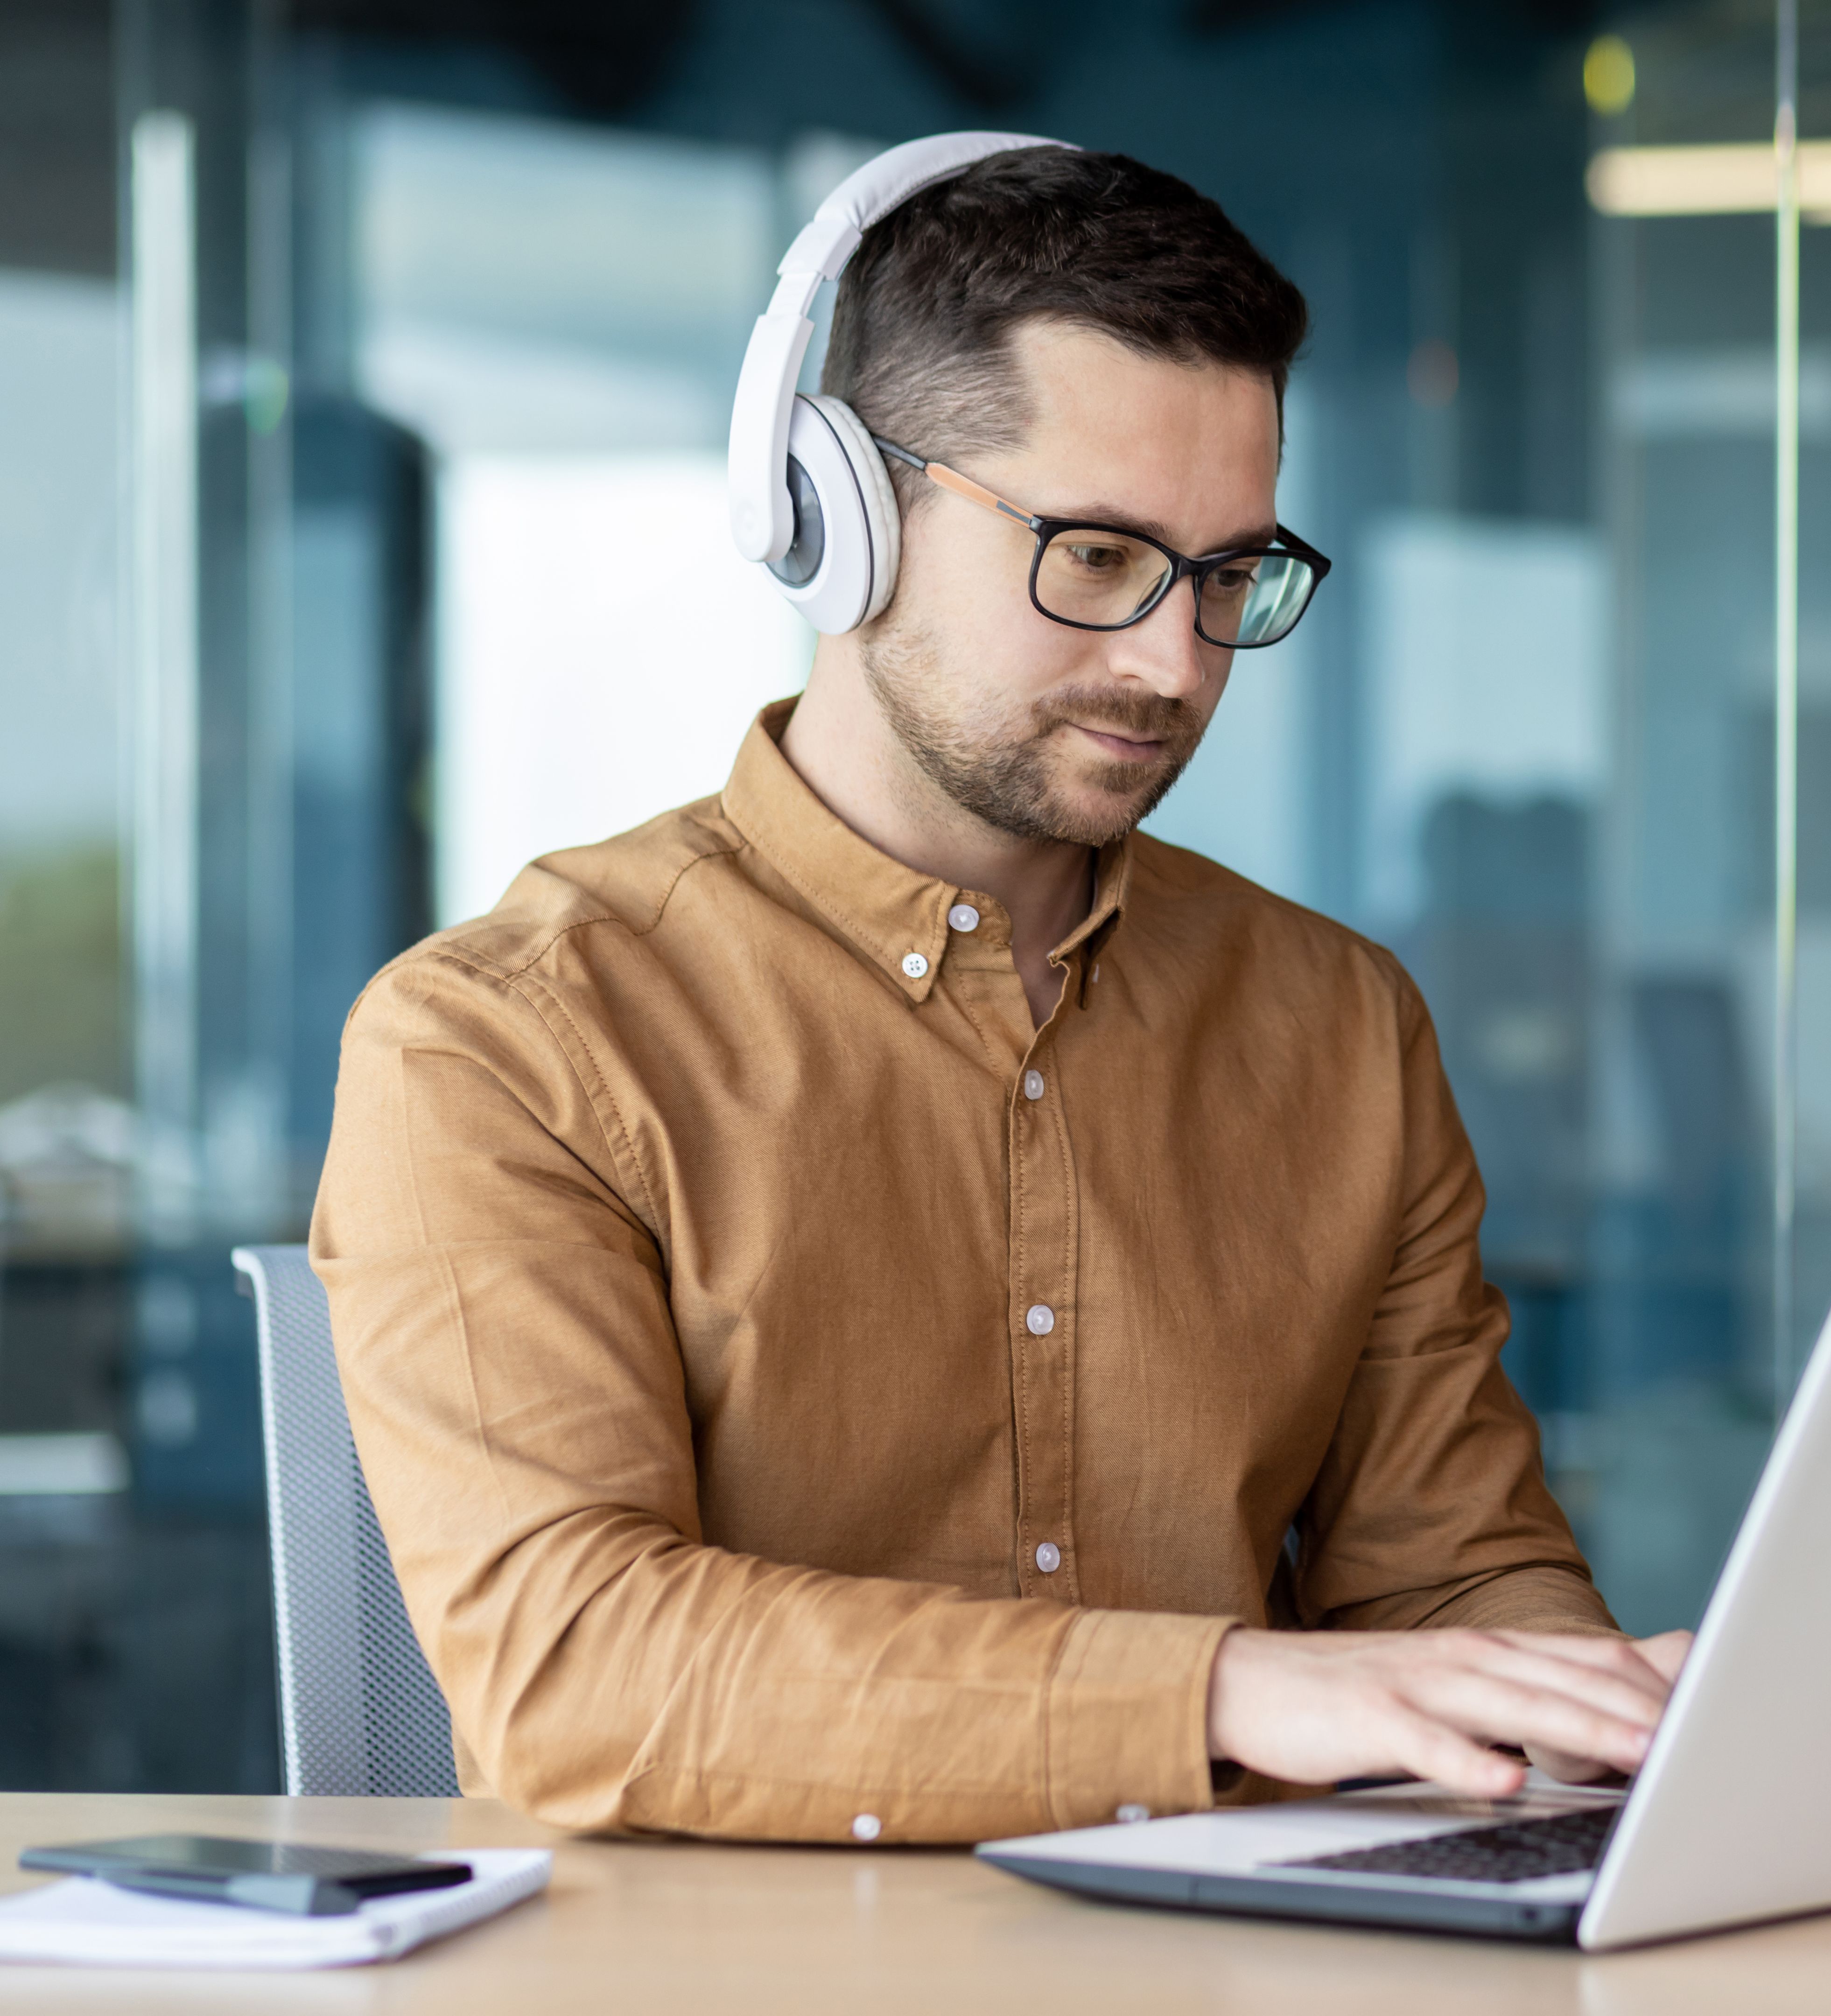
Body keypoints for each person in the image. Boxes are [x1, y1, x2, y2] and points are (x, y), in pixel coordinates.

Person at [312, 143, 1684, 1844]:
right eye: (1099, 557)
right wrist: (1218, 1690)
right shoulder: (508, 1040)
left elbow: (1449, 1572)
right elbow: (571, 1665)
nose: (1175, 663)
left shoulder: (1339, 1026)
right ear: (839, 516)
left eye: (1229, 575)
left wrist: (1605, 1724)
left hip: (1234, 1970)